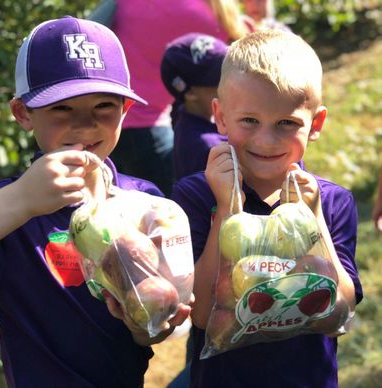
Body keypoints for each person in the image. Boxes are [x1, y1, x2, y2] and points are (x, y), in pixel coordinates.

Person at [0, 16, 192, 387]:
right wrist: (22, 200)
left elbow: (150, 331)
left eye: (103, 106)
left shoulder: (145, 204)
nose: (85, 125)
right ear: (23, 114)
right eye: (62, 108)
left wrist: (147, 326)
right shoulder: (8, 209)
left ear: (126, 111)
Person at [171, 30, 363, 387]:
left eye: (286, 123)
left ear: (315, 124)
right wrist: (227, 210)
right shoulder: (196, 196)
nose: (266, 140)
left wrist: (314, 219)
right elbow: (200, 314)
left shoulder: (333, 202)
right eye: (249, 121)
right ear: (221, 117)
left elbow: (342, 308)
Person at [109, 0, 249, 197]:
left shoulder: (131, 4)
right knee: (167, 210)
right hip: (147, 126)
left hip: (111, 115)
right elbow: (237, 52)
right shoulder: (203, 11)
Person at [161, 33, 228, 180]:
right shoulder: (209, 147)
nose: (233, 82)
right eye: (222, 79)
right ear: (190, 93)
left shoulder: (185, 115)